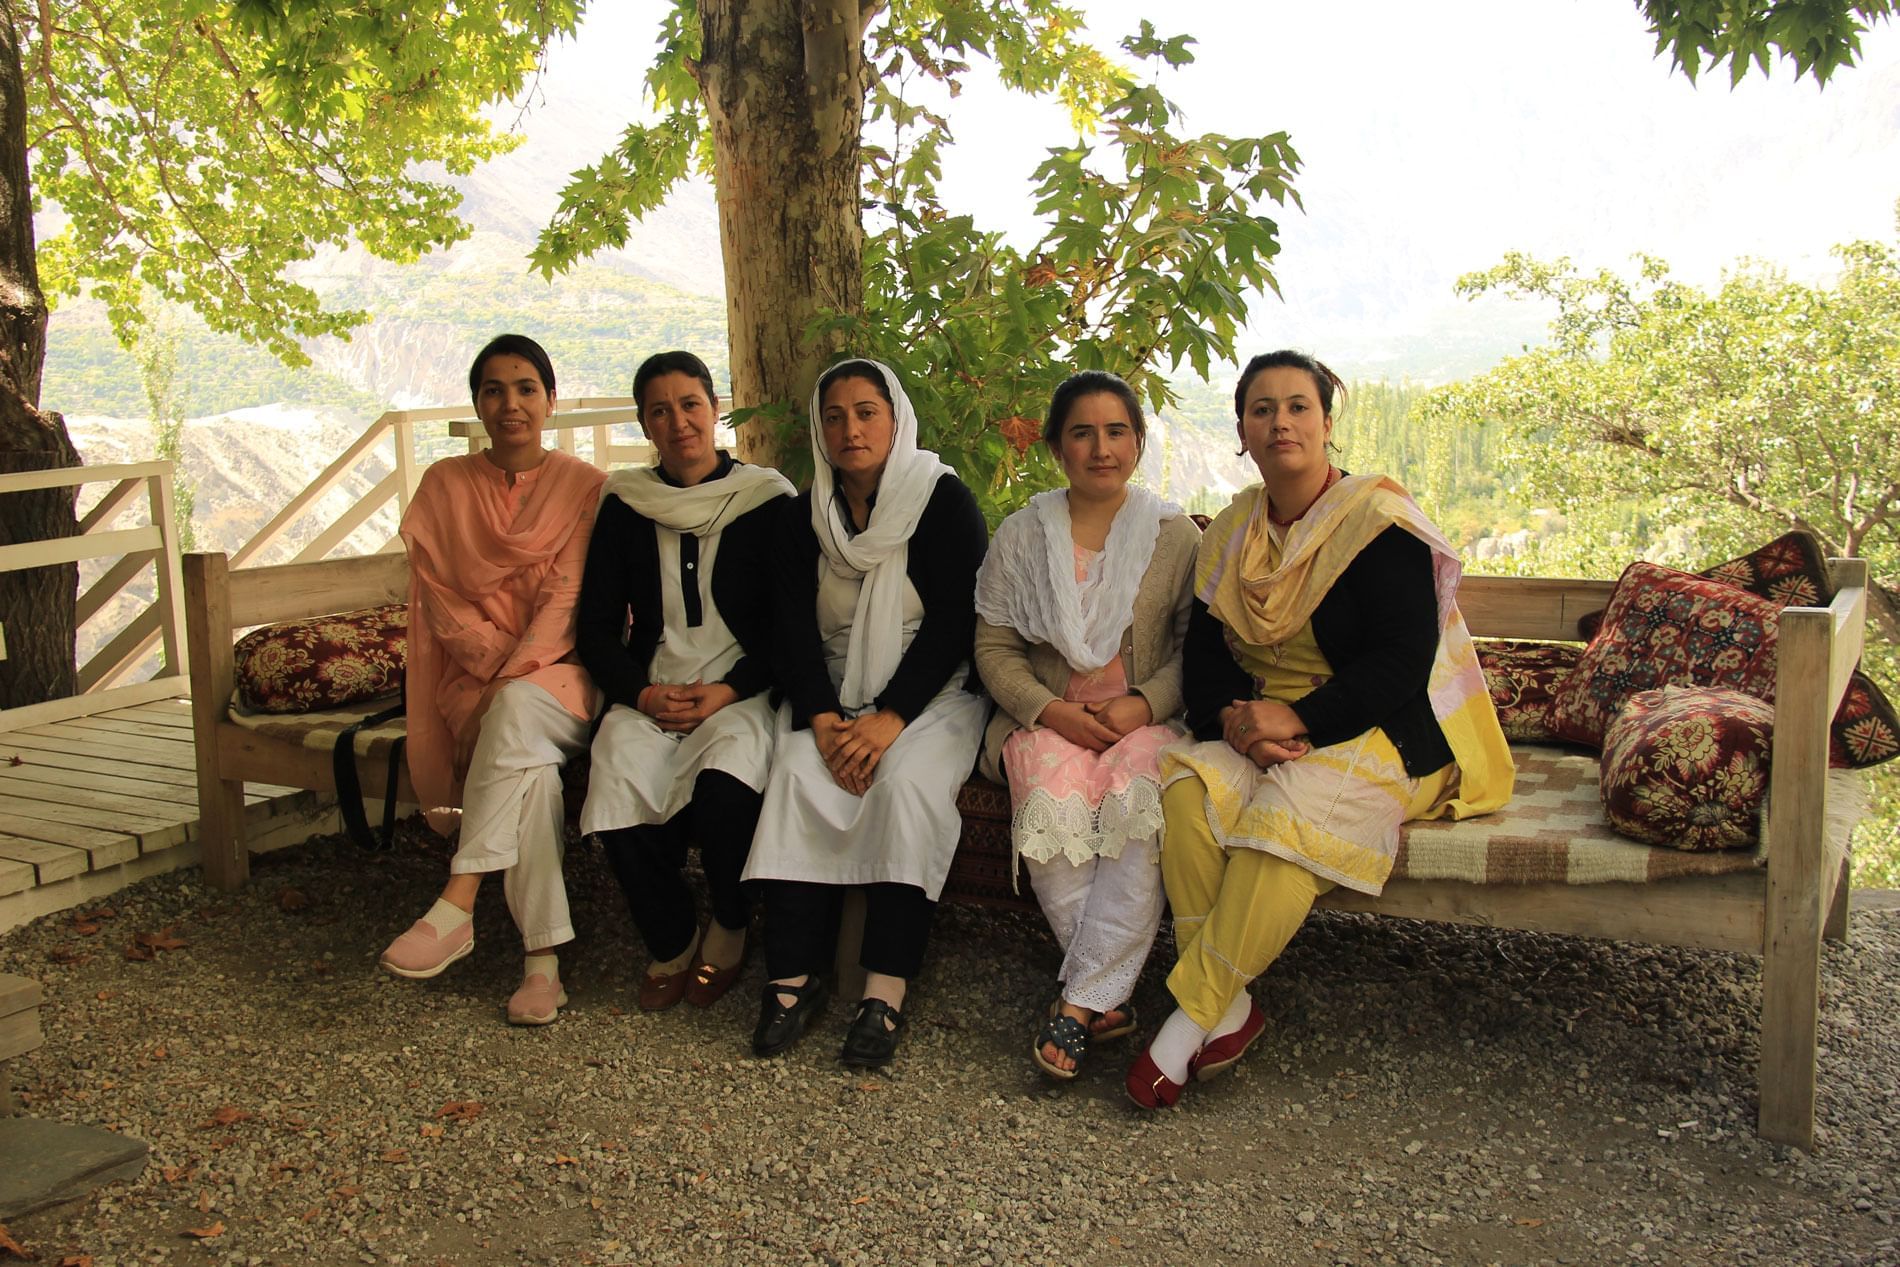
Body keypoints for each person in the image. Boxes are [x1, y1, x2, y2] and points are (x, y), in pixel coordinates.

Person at [1126, 349, 1514, 1108]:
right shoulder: (1236, 528)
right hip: (1269, 726)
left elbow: (1403, 661)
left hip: (1386, 725)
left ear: (1328, 424)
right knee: (1184, 789)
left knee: (1286, 817)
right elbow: (1205, 648)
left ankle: (1186, 1019)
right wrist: (1235, 722)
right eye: (1262, 409)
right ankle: (1232, 1008)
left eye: (1298, 406)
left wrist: (1299, 716)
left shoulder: (1378, 523)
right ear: (1241, 429)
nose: (1281, 422)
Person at [742, 357, 989, 1067]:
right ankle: (793, 976)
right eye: (834, 415)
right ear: (820, 430)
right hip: (830, 691)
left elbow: (953, 624)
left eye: (866, 411)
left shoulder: (940, 500)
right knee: (795, 773)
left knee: (907, 787)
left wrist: (888, 718)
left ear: (895, 418)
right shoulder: (805, 514)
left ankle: (884, 989)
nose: (851, 428)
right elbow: (789, 626)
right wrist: (821, 718)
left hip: (930, 693)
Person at [972, 370, 1197, 1079]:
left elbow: (1198, 649)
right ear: (1056, 447)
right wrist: (1051, 709)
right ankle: (1107, 996)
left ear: (1136, 440)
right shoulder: (1021, 534)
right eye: (1082, 432)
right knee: (1043, 783)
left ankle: (1078, 1005)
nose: (1101, 447)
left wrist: (1144, 704)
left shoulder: (1174, 536)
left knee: (1140, 802)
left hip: (1145, 721)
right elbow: (994, 645)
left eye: (1116, 430)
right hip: (1048, 717)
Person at [379, 334, 606, 1026]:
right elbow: (442, 605)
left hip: (565, 676)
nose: (511, 403)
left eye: (526, 388)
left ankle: (458, 898)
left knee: (514, 714)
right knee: (530, 773)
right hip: (468, 680)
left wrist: (507, 683)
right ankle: (543, 969)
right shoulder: (444, 486)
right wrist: (491, 685)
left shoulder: (584, 487)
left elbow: (567, 603)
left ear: (551, 400)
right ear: (478, 403)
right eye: (494, 390)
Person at [576, 351, 794, 1011]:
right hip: (656, 686)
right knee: (614, 774)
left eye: (690, 404)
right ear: (645, 424)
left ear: (716, 407)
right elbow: (595, 627)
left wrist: (729, 690)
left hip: (741, 689)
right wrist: (640, 693)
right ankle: (670, 935)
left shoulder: (766, 499)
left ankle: (729, 919)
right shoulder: (626, 503)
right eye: (660, 410)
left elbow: (792, 625)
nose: (679, 422)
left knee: (728, 788)